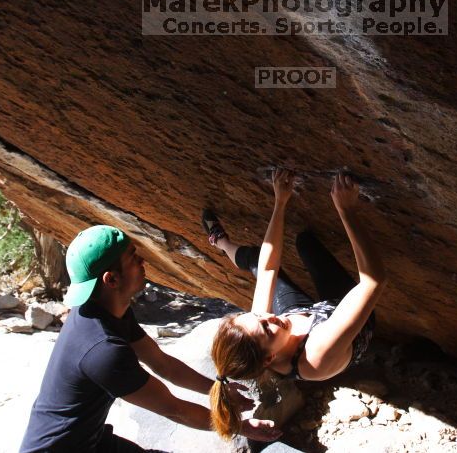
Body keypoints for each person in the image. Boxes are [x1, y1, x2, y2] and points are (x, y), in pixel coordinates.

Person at [20, 225, 280, 452]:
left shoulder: (106, 310)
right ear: (111, 279)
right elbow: (173, 408)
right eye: (133, 257)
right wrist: (239, 426)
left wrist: (218, 389)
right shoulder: (103, 349)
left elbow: (162, 364)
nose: (143, 260)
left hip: (89, 441)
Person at [205, 169, 387, 438]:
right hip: (338, 315)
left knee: (267, 255)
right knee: (309, 246)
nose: (267, 316)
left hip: (307, 315)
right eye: (266, 328)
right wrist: (347, 211)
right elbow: (373, 282)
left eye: (256, 316)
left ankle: (221, 243)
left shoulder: (260, 330)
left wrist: (280, 201)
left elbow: (268, 268)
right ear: (269, 358)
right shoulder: (317, 355)